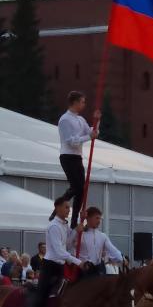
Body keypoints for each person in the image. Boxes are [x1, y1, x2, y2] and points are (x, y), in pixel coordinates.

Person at [26, 196, 83, 307]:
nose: (68, 210)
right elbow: (58, 251)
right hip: (49, 266)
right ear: (57, 208)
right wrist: (78, 262)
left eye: (69, 207)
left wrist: (76, 231)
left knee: (64, 296)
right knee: (42, 296)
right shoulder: (53, 226)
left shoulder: (64, 225)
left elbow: (68, 244)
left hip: (59, 267)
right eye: (66, 207)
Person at [58, 90, 101, 228]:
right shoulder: (65, 119)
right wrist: (90, 137)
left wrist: (97, 121)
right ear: (75, 102)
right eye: (82, 102)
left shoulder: (80, 119)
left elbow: (91, 132)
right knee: (76, 187)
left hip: (77, 157)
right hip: (67, 156)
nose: (84, 104)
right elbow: (71, 141)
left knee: (81, 189)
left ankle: (74, 219)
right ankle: (58, 208)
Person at [67, 207, 123, 276]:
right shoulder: (79, 233)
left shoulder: (102, 236)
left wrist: (121, 258)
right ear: (88, 218)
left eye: (100, 218)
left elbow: (112, 249)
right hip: (83, 270)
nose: (99, 221)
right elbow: (67, 245)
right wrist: (75, 231)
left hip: (98, 270)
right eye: (96, 218)